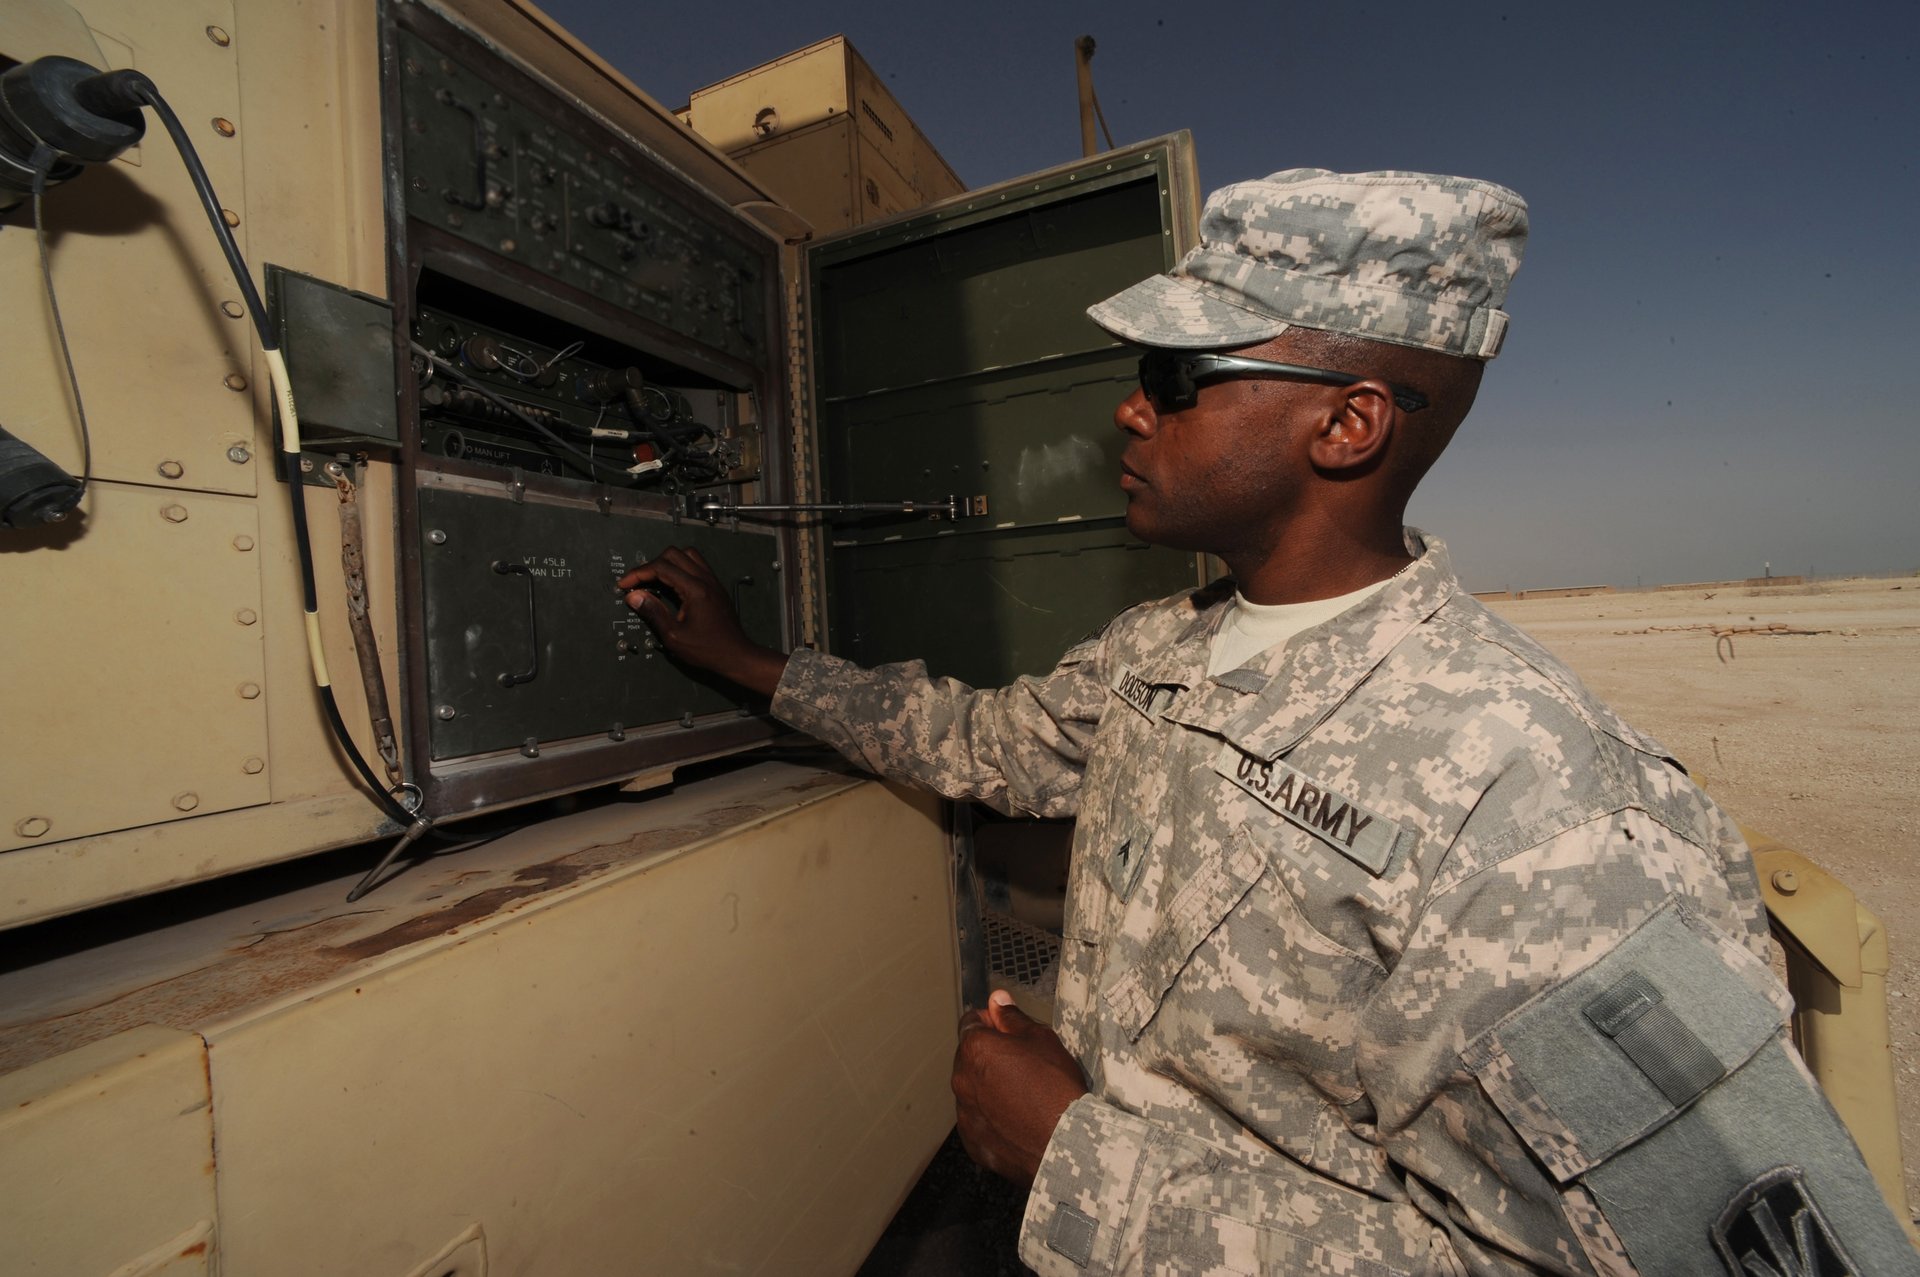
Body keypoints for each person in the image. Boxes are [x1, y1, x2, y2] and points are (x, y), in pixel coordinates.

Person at [619, 170, 1916, 1276]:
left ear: (1346, 423)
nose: (1129, 408)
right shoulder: (1157, 650)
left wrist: (1087, 1166)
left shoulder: (1549, 816)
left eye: (1175, 376)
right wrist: (746, 660)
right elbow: (981, 739)